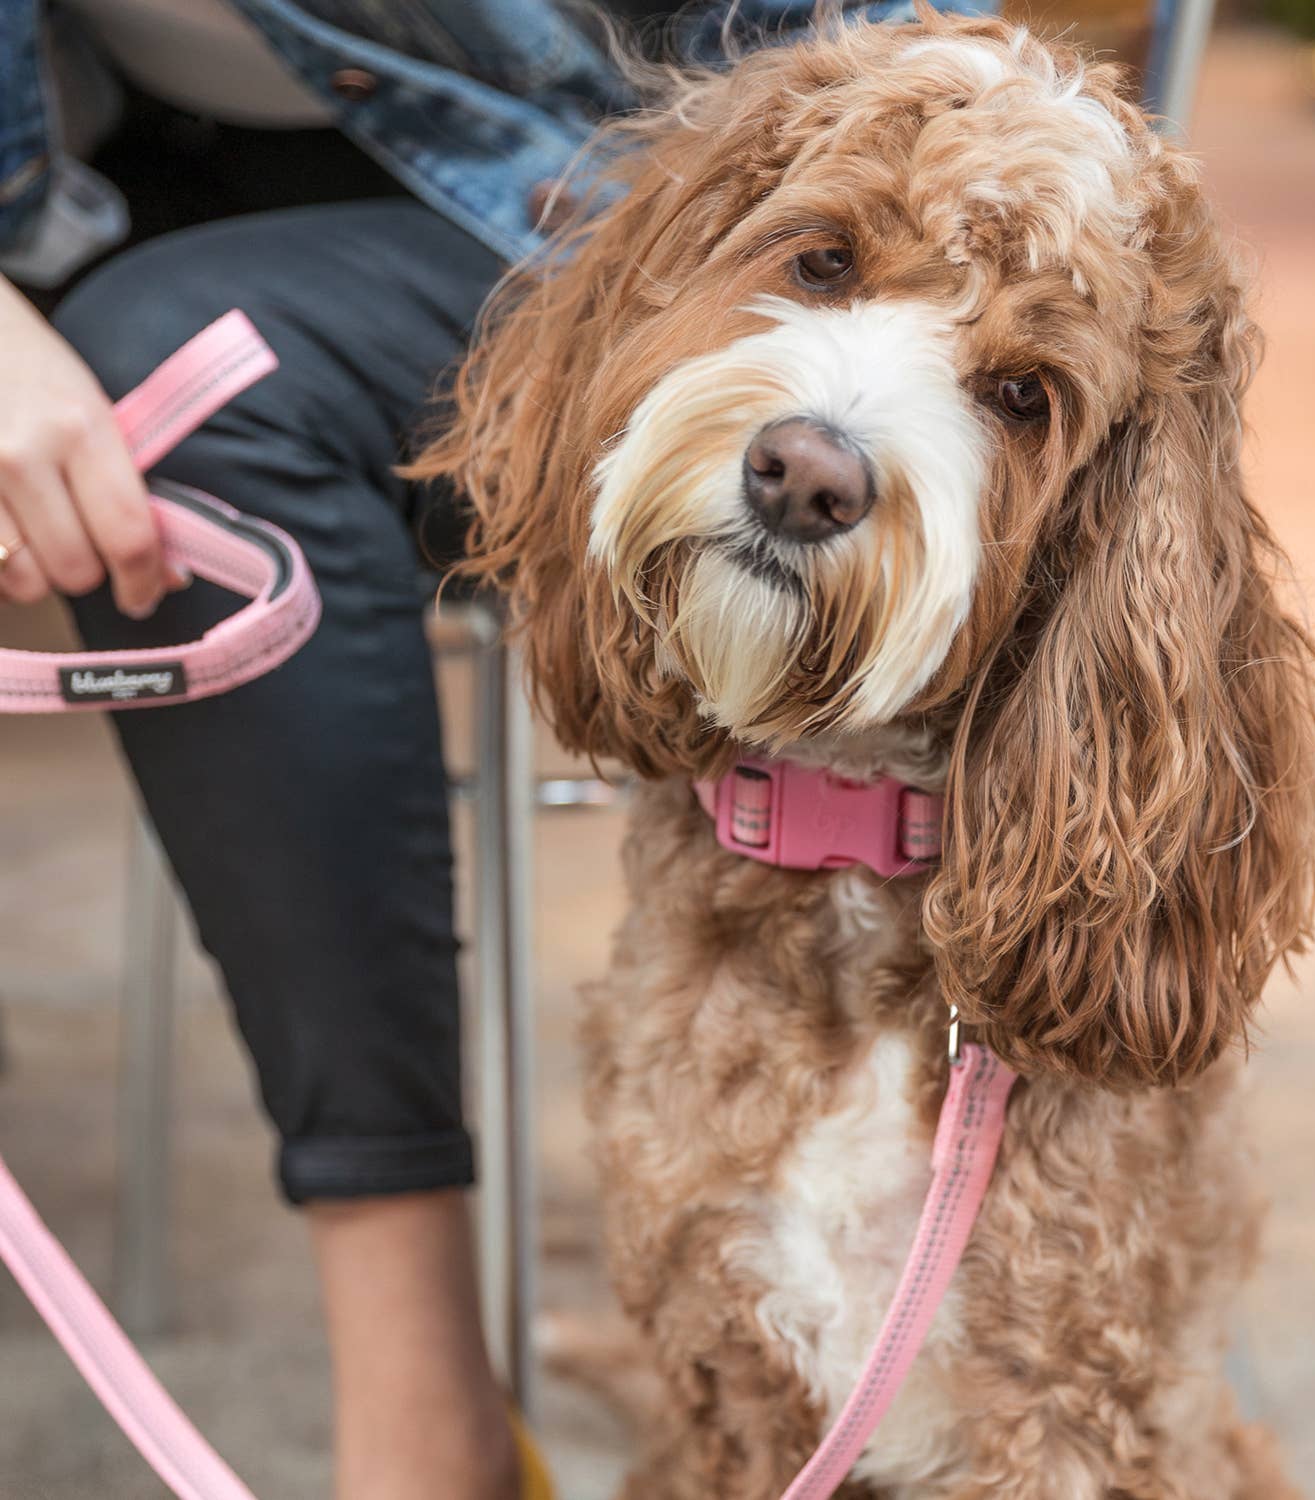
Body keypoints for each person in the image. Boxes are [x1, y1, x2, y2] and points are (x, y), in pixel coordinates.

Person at [0, 2, 987, 1497]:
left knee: (191, 384)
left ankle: (426, 1434)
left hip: (602, 193)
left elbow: (880, 89)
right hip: (107, 190)